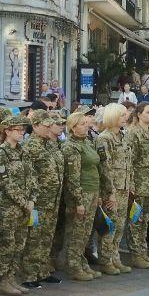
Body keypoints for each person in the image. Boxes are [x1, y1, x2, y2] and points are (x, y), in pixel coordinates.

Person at [0, 116, 33, 295]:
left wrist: (32, 199)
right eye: (17, 130)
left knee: (19, 244)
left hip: (24, 207)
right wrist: (23, 201)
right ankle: (2, 279)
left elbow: (32, 178)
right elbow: (4, 182)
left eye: (23, 130)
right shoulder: (2, 153)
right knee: (7, 243)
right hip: (7, 206)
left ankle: (11, 277)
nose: (21, 133)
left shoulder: (23, 151)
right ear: (7, 131)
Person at [21, 110, 64, 286]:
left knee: (47, 237)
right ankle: (29, 275)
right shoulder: (30, 147)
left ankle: (42, 270)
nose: (49, 128)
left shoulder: (51, 145)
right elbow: (28, 176)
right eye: (46, 126)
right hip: (38, 201)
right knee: (34, 238)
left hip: (52, 199)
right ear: (36, 126)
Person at [59, 110, 101, 280]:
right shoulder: (71, 146)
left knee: (86, 231)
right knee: (77, 231)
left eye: (87, 123)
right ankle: (73, 265)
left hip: (92, 190)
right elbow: (73, 177)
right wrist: (78, 201)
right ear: (73, 127)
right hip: (81, 193)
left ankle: (81, 261)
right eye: (82, 124)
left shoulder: (87, 142)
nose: (87, 126)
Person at [123, 103, 149, 268]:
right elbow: (129, 161)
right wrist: (131, 184)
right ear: (139, 114)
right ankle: (135, 255)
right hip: (139, 184)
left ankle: (143, 252)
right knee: (136, 220)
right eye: (148, 112)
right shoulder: (133, 134)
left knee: (145, 220)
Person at [94, 103, 131, 273]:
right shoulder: (104, 138)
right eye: (122, 115)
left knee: (120, 224)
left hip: (123, 187)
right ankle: (105, 259)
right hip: (112, 190)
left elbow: (128, 164)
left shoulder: (123, 136)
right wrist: (110, 193)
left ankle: (115, 257)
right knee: (110, 225)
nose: (126, 117)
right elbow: (105, 167)